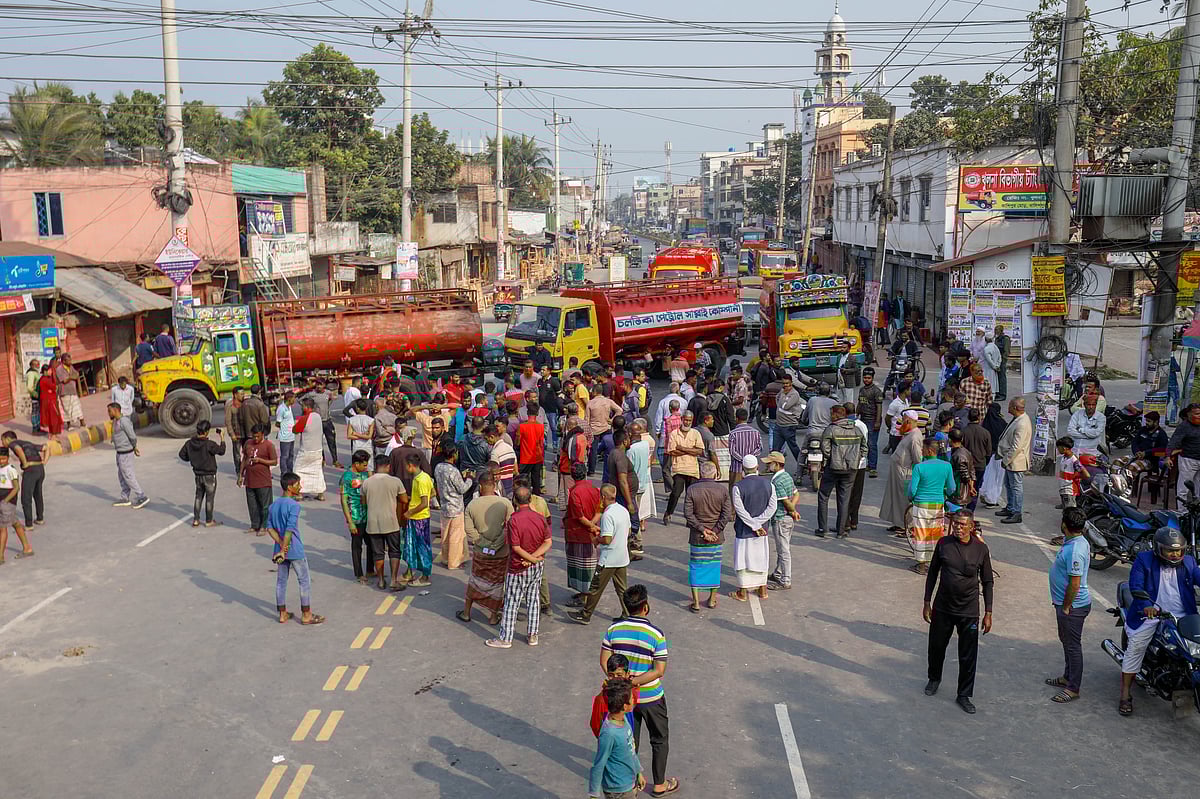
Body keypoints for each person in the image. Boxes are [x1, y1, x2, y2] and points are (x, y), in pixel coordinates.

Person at [600, 584, 677, 797]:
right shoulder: (655, 634)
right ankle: (660, 784)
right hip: (651, 697)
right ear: (646, 606)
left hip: (623, 697)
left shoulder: (613, 630)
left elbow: (605, 660)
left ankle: (631, 780)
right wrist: (636, 682)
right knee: (659, 739)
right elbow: (659, 670)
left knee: (628, 740)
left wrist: (621, 681)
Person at [1118, 526, 1200, 715]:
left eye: (1178, 550)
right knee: (1136, 648)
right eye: (1170, 550)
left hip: (1183, 615)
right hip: (1152, 615)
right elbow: (1136, 585)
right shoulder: (1144, 560)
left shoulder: (1188, 562)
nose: (1174, 555)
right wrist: (1146, 604)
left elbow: (1197, 575)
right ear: (1158, 548)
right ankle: (1125, 694)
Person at [923, 509, 993, 714]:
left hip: (969, 610)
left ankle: (964, 694)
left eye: (963, 525)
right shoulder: (943, 544)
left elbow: (988, 582)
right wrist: (927, 601)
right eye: (955, 524)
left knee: (968, 655)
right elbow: (933, 573)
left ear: (971, 527)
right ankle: (934, 679)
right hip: (943, 606)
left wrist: (988, 612)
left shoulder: (981, 549)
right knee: (936, 647)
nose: (958, 528)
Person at [486, 486, 552, 648]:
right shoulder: (539, 518)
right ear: (530, 499)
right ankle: (533, 635)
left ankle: (506, 638)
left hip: (517, 567)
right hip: (536, 565)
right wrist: (534, 559)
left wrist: (529, 559)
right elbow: (547, 542)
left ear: (514, 500)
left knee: (511, 603)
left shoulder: (514, 520)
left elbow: (515, 547)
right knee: (533, 599)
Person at [1044, 507, 1092, 704]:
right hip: (1066, 605)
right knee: (1066, 641)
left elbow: (1075, 583)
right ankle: (1067, 676)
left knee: (1073, 646)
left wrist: (1066, 606)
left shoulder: (1075, 551)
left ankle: (1073, 687)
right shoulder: (1074, 540)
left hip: (1073, 607)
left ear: (1065, 524)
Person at [266, 472, 325, 625]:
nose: (300, 487)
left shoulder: (274, 505)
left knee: (281, 581)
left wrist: (280, 547)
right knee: (304, 581)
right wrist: (285, 548)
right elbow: (289, 529)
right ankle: (306, 614)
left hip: (279, 549)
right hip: (294, 549)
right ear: (290, 487)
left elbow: (270, 528)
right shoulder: (294, 505)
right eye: (298, 484)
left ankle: (282, 613)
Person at [569, 484, 632, 624]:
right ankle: (627, 613)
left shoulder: (608, 515)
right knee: (622, 588)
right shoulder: (623, 510)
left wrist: (597, 539)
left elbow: (607, 539)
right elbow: (628, 532)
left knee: (595, 588)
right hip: (622, 556)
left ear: (603, 498)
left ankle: (586, 614)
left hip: (608, 559)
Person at [459, 471, 514, 624]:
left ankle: (466, 612)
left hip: (480, 552)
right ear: (495, 485)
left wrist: (483, 543)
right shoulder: (505, 503)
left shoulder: (472, 505)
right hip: (501, 552)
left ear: (481, 486)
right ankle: (493, 616)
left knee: (475, 580)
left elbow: (469, 529)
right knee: (497, 584)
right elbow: (510, 528)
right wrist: (495, 545)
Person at [683, 460, 731, 610]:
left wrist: (702, 530)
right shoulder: (722, 490)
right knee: (714, 567)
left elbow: (688, 514)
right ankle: (712, 599)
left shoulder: (692, 489)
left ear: (700, 473)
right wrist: (715, 531)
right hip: (716, 537)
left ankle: (696, 602)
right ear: (715, 473)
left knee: (696, 567)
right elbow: (726, 514)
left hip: (697, 536)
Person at [730, 454, 777, 601]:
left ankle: (742, 593)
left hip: (744, 530)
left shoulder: (737, 487)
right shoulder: (769, 484)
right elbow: (772, 507)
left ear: (743, 469)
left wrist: (752, 524)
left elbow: (740, 510)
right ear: (757, 467)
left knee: (743, 560)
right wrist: (759, 524)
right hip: (762, 530)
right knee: (761, 559)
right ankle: (762, 590)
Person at [815, 406, 867, 539]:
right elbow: (864, 448)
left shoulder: (831, 429)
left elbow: (824, 448)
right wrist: (855, 459)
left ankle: (823, 528)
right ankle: (841, 530)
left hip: (833, 468)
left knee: (823, 496)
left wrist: (832, 458)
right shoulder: (856, 430)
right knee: (844, 499)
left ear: (836, 415)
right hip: (851, 470)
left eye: (831, 414)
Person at [588, 680, 645, 799]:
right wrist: (593, 794)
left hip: (628, 783)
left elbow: (631, 749)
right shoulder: (609, 733)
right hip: (617, 790)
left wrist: (638, 772)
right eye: (631, 698)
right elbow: (599, 764)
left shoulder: (624, 720)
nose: (634, 699)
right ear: (625, 706)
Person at [908, 438, 957, 573]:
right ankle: (936, 562)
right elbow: (952, 487)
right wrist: (944, 493)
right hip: (938, 505)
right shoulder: (947, 466)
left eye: (923, 448)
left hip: (921, 505)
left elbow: (912, 490)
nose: (921, 451)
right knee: (935, 533)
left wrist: (911, 498)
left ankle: (921, 565)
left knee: (921, 533)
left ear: (930, 451)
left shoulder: (919, 467)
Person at [362, 454, 408, 591]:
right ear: (388, 466)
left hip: (373, 522)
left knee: (378, 553)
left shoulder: (367, 482)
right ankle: (394, 580)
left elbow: (363, 503)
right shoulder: (395, 481)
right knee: (394, 551)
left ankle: (381, 580)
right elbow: (404, 500)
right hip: (391, 521)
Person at [564, 462, 603, 607]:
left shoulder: (574, 493)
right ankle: (584, 593)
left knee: (580, 566)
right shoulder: (594, 489)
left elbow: (580, 517)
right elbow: (600, 510)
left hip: (579, 534)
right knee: (588, 566)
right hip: (590, 534)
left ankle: (585, 597)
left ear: (573, 476)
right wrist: (593, 526)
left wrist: (590, 526)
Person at [434, 439, 474, 571]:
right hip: (455, 507)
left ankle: (446, 558)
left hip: (445, 505)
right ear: (454, 454)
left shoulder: (438, 467)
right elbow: (462, 489)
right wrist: (469, 478)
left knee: (445, 535)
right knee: (455, 536)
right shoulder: (453, 471)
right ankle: (454, 562)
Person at [880, 412, 923, 533]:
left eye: (903, 420)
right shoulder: (909, 434)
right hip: (898, 472)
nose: (901, 423)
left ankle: (907, 526)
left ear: (908, 421)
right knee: (896, 499)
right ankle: (899, 523)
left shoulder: (915, 437)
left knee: (904, 500)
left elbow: (918, 459)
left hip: (905, 473)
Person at [179, 420, 226, 527]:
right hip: (209, 475)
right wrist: (222, 438)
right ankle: (209, 520)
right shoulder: (209, 444)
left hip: (197, 474)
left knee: (198, 496)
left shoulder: (189, 443)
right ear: (206, 431)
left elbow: (182, 455)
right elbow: (222, 451)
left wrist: (192, 459)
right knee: (209, 498)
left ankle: (196, 519)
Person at [663, 411, 704, 525]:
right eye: (685, 420)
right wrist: (691, 450)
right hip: (679, 468)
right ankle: (668, 513)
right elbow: (672, 451)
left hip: (693, 469)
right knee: (676, 493)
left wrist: (682, 448)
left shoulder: (695, 433)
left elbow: (700, 451)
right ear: (682, 419)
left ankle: (689, 518)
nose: (687, 422)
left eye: (689, 421)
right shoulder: (674, 434)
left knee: (691, 496)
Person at [996, 397, 1032, 524]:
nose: (1008, 408)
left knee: (1016, 487)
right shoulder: (1018, 419)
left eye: (1010, 406)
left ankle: (1016, 512)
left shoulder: (1022, 423)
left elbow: (1017, 447)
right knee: (1009, 484)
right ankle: (1010, 507)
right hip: (1011, 460)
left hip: (1016, 461)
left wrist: (1006, 460)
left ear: (1015, 408)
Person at [340, 450, 374, 583]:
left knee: (371, 544)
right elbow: (344, 500)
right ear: (356, 463)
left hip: (368, 515)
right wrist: (350, 522)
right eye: (364, 465)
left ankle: (370, 569)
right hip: (355, 516)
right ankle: (359, 573)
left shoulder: (365, 475)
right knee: (357, 546)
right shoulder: (346, 478)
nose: (366, 467)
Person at [2, 431, 47, 528]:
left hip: (31, 470)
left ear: (7, 438)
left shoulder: (12, 444)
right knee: (37, 494)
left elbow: (18, 450)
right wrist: (45, 461)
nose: (2, 443)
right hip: (40, 469)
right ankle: (40, 518)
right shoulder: (27, 443)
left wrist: (25, 463)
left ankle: (29, 524)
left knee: (26, 498)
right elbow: (46, 448)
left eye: (2, 440)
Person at [402, 453, 435, 587]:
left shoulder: (420, 480)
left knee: (422, 547)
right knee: (411, 545)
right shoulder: (424, 477)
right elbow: (432, 493)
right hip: (419, 517)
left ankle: (425, 576)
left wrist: (410, 511)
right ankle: (410, 571)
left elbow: (424, 503)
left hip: (419, 518)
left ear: (411, 466)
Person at [239, 422, 277, 535]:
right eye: (254, 436)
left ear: (263, 435)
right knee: (252, 504)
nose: (255, 438)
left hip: (263, 481)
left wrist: (260, 461)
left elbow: (274, 461)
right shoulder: (248, 443)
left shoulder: (269, 445)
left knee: (265, 506)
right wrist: (240, 475)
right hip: (250, 480)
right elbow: (244, 459)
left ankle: (264, 526)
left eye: (258, 436)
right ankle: (254, 524)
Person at [590, 653, 640, 736]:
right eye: (611, 675)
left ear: (627, 674)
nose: (615, 679)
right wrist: (605, 738)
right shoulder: (601, 700)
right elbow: (595, 725)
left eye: (619, 675)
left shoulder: (631, 692)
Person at [109, 402, 148, 508]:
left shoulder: (124, 422)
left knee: (128, 475)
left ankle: (141, 496)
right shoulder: (115, 421)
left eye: (110, 411)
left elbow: (132, 436)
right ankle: (125, 497)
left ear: (116, 410)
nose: (109, 413)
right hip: (119, 453)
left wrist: (135, 447)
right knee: (122, 475)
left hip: (126, 453)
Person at [290, 398, 327, 500]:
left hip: (306, 450)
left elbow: (295, 430)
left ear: (306, 407)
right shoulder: (318, 416)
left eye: (302, 406)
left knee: (298, 470)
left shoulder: (305, 418)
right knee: (317, 471)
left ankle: (299, 492)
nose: (301, 408)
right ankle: (320, 493)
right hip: (318, 449)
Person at [0, 447, 31, 563]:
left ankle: (1, 556)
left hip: (7, 502)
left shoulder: (11, 470)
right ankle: (27, 547)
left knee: (2, 528)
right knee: (15, 523)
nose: (1, 461)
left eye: (3, 459)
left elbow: (16, 487)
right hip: (3, 502)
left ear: (7, 458)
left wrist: (6, 500)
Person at [844, 403, 870, 532]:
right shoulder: (862, 425)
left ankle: (846, 521)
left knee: (846, 492)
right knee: (857, 493)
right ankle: (854, 520)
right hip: (861, 464)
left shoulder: (847, 425)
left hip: (849, 463)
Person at [1170, 404, 1200, 505]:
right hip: (1188, 461)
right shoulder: (1184, 426)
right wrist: (1167, 456)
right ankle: (1182, 514)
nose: (1199, 416)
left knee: (1198, 489)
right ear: (1189, 414)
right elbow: (1174, 441)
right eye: (1196, 413)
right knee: (1183, 490)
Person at [856, 367, 884, 477]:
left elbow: (879, 407)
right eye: (865, 378)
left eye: (868, 378)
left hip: (872, 420)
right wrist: (855, 415)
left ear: (872, 378)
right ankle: (868, 464)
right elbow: (860, 403)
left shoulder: (876, 391)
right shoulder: (862, 390)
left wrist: (877, 422)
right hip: (863, 420)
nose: (866, 380)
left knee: (872, 444)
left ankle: (873, 468)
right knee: (864, 443)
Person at [773, 375, 805, 470]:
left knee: (793, 448)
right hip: (779, 425)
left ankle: (802, 466)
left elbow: (785, 406)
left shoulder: (794, 394)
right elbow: (777, 399)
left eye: (787, 383)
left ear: (791, 383)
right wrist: (781, 400)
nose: (785, 386)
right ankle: (772, 467)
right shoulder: (782, 391)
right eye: (783, 384)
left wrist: (782, 400)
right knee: (775, 449)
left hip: (789, 426)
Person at [516, 400, 546, 496]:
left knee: (522, 481)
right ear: (537, 413)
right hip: (537, 457)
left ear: (527, 412)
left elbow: (517, 442)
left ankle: (522, 497)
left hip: (525, 457)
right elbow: (541, 442)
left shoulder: (522, 426)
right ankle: (536, 499)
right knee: (536, 480)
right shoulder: (541, 426)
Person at [727, 407, 761, 488]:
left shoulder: (733, 433)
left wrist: (743, 460)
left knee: (735, 492)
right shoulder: (756, 432)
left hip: (737, 469)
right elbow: (759, 448)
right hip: (752, 469)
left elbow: (732, 451)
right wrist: (749, 458)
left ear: (737, 418)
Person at [56, 354, 84, 430]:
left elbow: (77, 374)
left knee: (77, 406)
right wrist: (71, 377)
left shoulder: (71, 367)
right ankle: (69, 425)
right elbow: (64, 380)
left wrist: (71, 377)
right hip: (64, 392)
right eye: (69, 360)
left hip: (73, 390)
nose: (70, 361)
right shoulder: (59, 369)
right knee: (67, 409)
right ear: (64, 361)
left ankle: (82, 422)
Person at [225, 387, 246, 476]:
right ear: (235, 395)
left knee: (247, 453)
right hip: (236, 434)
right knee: (237, 454)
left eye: (243, 393)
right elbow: (228, 421)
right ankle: (239, 471)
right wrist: (231, 434)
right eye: (241, 394)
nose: (243, 395)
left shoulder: (245, 404)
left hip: (246, 433)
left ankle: (246, 470)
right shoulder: (230, 406)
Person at [275, 389, 297, 476]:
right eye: (293, 398)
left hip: (291, 435)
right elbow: (278, 423)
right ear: (289, 399)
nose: (294, 400)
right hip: (285, 437)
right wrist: (284, 428)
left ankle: (290, 472)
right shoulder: (281, 409)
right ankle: (284, 473)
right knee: (284, 456)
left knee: (291, 455)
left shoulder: (289, 407)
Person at [38, 365, 62, 436]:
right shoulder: (45, 380)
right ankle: (53, 434)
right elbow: (55, 387)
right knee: (54, 418)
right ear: (45, 371)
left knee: (51, 418)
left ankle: (52, 433)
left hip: (48, 400)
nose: (51, 372)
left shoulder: (43, 379)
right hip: (50, 401)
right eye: (50, 370)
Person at [993, 325, 1010, 400]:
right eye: (995, 329)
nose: (996, 331)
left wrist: (1003, 361)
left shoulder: (1005, 339)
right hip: (996, 360)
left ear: (1001, 330)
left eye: (997, 330)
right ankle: (998, 393)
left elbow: (1006, 351)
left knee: (1002, 378)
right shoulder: (996, 339)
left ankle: (1002, 394)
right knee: (997, 377)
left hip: (1002, 360)